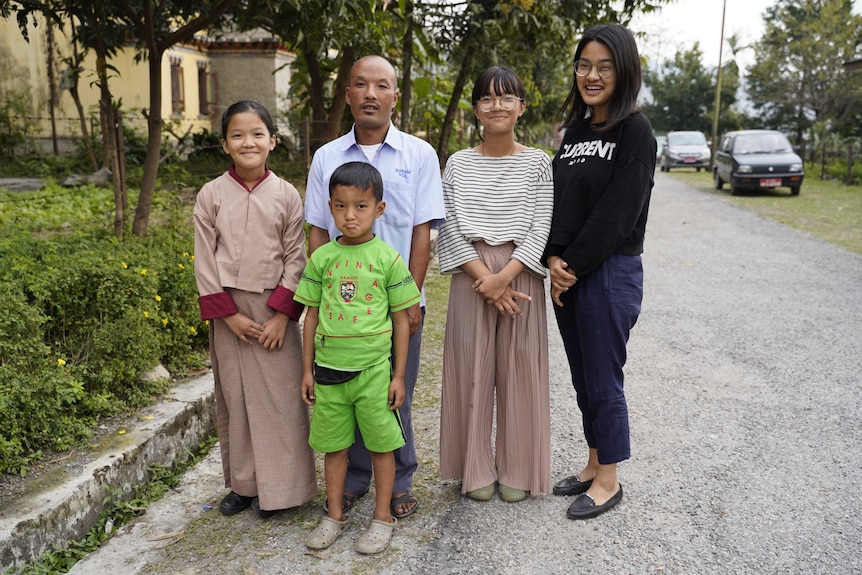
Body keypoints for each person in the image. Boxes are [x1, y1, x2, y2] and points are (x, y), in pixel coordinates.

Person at [304, 55, 445, 519]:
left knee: (392, 392)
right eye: (360, 85)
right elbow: (318, 232)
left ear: (394, 97)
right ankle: (357, 480)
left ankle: (400, 481)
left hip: (398, 301)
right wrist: (324, 298)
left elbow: (422, 229)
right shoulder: (327, 157)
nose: (370, 94)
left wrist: (410, 299)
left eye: (380, 86)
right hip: (343, 307)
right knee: (346, 390)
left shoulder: (419, 155)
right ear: (347, 95)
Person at [544, 23, 656, 520]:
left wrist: (571, 265)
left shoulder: (635, 131)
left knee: (605, 378)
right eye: (584, 65)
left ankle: (609, 479)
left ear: (624, 70)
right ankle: (592, 463)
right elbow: (557, 202)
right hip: (569, 271)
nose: (591, 75)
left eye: (604, 66)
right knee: (583, 376)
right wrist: (552, 256)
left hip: (609, 272)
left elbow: (619, 212)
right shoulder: (575, 133)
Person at [193, 100, 317, 518]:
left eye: (257, 134)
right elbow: (204, 259)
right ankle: (244, 486)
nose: (248, 141)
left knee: (282, 401)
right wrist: (228, 315)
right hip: (229, 312)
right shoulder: (211, 195)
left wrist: (283, 316)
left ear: (273, 142)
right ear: (225, 144)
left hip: (273, 308)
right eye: (238, 135)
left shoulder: (286, 195)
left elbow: (296, 258)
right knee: (238, 398)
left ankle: (284, 489)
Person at [437, 66, 553, 503]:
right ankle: (475, 468)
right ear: (475, 110)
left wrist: (504, 278)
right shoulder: (459, 163)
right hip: (473, 275)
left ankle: (519, 469)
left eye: (507, 97)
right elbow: (447, 226)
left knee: (521, 371)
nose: (497, 105)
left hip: (520, 274)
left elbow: (542, 225)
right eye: (487, 98)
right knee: (471, 371)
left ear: (522, 107)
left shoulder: (539, 162)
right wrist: (485, 277)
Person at [297, 161, 421, 554]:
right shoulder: (321, 259)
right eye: (340, 206)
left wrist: (398, 376)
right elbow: (311, 316)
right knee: (335, 448)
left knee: (381, 447)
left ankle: (382, 518)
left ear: (379, 209)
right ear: (330, 206)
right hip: (330, 373)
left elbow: (402, 322)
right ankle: (334, 514)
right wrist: (307, 371)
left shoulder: (388, 258)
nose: (350, 216)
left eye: (361, 206)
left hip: (373, 373)